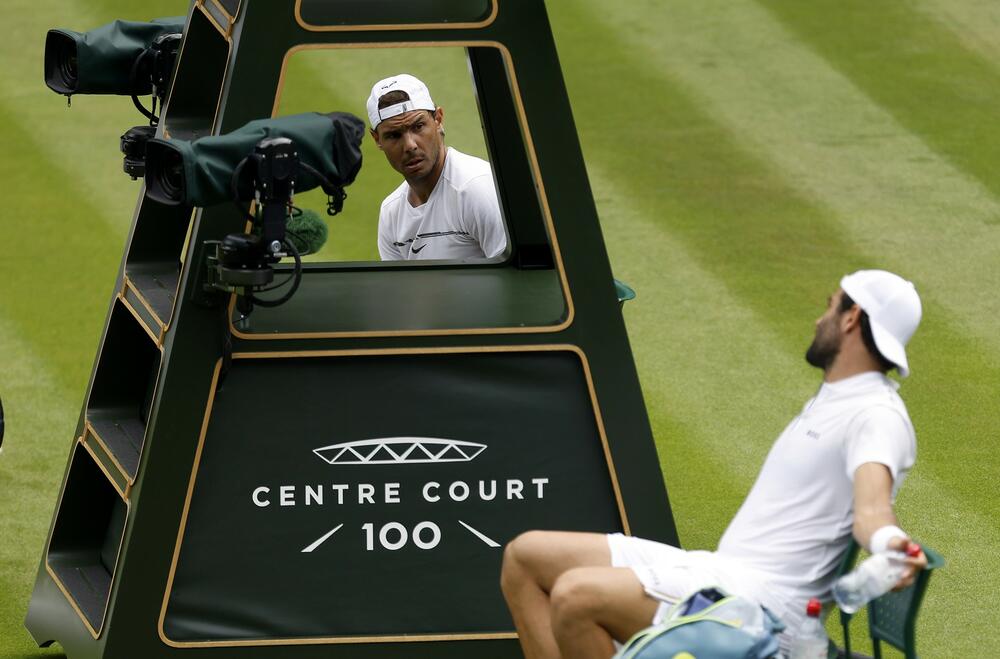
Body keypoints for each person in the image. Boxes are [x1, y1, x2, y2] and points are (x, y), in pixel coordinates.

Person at [500, 269, 929, 658]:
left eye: (830, 306)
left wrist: (891, 544)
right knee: (526, 559)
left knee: (577, 596)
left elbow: (873, 511)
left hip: (767, 612)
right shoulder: (838, 397)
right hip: (723, 572)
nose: (820, 320)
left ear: (852, 318)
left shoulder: (877, 414)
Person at [365, 73, 507, 261]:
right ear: (377, 140)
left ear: (438, 119)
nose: (410, 145)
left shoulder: (477, 189)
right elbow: (399, 289)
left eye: (418, 127)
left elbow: (519, 282)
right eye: (394, 135)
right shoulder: (391, 213)